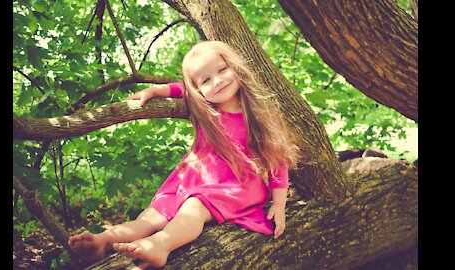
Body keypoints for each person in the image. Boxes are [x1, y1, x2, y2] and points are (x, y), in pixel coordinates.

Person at [67, 41, 299, 269]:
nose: (217, 81)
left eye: (222, 70)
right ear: (199, 90)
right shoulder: (205, 109)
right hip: (191, 178)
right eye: (206, 80)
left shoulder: (257, 115)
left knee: (194, 207)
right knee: (152, 215)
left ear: (236, 67)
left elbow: (277, 160)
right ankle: (104, 241)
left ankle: (161, 244)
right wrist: (156, 90)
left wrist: (279, 203)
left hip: (236, 186)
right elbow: (181, 89)